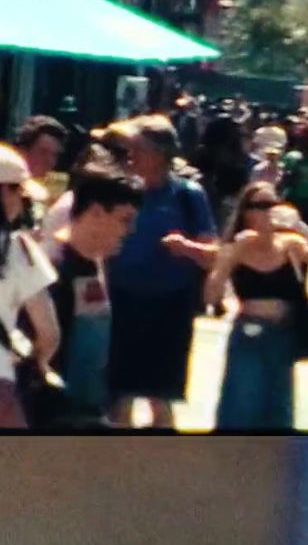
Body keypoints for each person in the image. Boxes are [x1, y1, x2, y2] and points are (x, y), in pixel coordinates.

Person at [105, 116, 219, 428]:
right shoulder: (123, 190)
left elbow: (213, 256)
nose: (131, 156)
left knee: (161, 398)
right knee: (119, 397)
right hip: (121, 301)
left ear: (160, 154)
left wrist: (185, 247)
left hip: (169, 307)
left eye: (138, 149)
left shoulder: (187, 195)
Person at [204, 183, 308, 429]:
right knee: (241, 407)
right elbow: (210, 297)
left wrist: (301, 227)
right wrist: (227, 259)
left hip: (283, 334)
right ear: (246, 212)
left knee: (279, 411)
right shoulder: (237, 247)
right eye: (260, 206)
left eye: (272, 205)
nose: (268, 211)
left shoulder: (289, 244)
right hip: (249, 334)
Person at [30, 159, 144, 429]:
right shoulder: (52, 268)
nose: (130, 231)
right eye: (124, 220)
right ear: (94, 213)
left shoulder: (96, 263)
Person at [0, 143, 60, 429]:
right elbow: (49, 333)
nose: (22, 202)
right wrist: (38, 363)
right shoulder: (18, 249)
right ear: (2, 191)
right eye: (19, 192)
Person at [250, 123, 287, 187]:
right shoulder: (258, 168)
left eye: (273, 155)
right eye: (270, 155)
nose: (272, 157)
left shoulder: (282, 169)